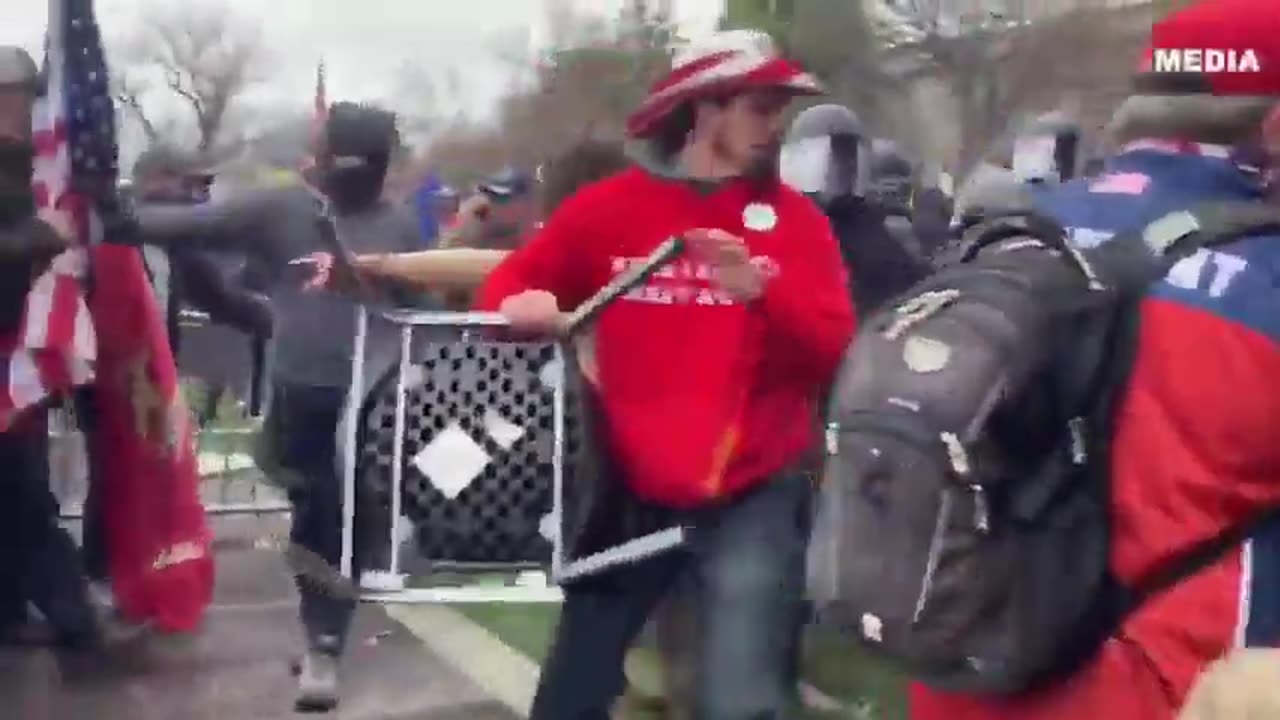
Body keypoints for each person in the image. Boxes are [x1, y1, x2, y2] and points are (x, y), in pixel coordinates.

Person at [910, 1, 1280, 718]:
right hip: (1163, 691)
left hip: (964, 677)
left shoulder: (1000, 239)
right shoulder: (1266, 279)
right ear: (1273, 127)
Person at [475, 30, 855, 719]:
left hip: (753, 494)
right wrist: (517, 306)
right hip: (626, 491)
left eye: (781, 110)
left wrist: (763, 293)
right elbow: (511, 285)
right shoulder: (608, 209)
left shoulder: (799, 224)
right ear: (705, 108)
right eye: (761, 108)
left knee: (741, 701)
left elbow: (834, 351)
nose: (775, 127)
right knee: (569, 699)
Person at [135, 101, 421, 712]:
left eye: (366, 164)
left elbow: (427, 312)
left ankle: (326, 637)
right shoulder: (282, 210)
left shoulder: (400, 228)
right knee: (315, 511)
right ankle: (323, 634)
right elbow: (179, 225)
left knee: (343, 520)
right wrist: (97, 212)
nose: (350, 175)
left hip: (372, 403)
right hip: (301, 399)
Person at [0, 45, 107, 653]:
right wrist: (42, 236)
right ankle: (74, 619)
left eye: (26, 96)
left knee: (18, 492)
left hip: (18, 351)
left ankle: (12, 613)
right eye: (12, 96)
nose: (22, 109)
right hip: (5, 359)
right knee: (22, 496)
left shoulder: (28, 168)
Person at [781, 105, 927, 318]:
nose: (840, 169)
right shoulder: (780, 225)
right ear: (799, 160)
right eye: (832, 159)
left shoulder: (874, 232)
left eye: (848, 158)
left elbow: (910, 289)